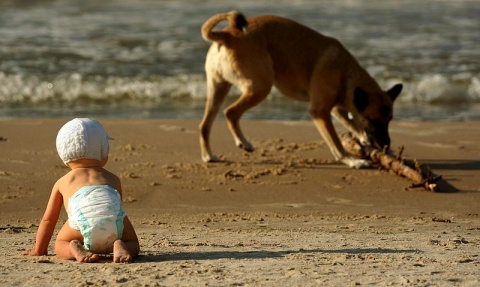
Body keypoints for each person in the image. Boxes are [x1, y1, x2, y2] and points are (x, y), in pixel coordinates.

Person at [22, 118, 139, 263]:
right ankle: (120, 245)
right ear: (103, 151)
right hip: (113, 223)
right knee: (133, 244)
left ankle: (72, 248)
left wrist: (39, 250)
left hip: (82, 223)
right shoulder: (113, 179)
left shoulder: (63, 182)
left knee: (60, 244)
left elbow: (48, 219)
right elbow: (116, 209)